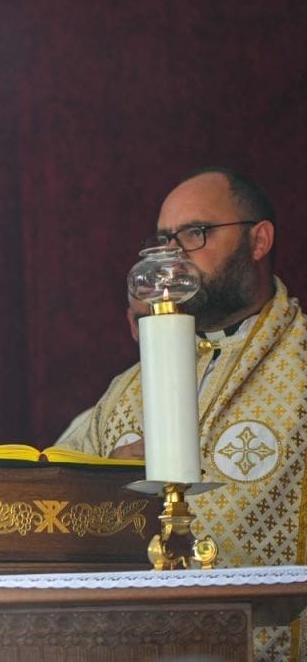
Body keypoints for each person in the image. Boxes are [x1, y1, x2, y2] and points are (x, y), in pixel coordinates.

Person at [54, 167, 307, 661]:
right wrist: (104, 481)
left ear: (259, 240)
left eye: (195, 234)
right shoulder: (126, 391)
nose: (173, 258)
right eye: (165, 241)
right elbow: (52, 500)